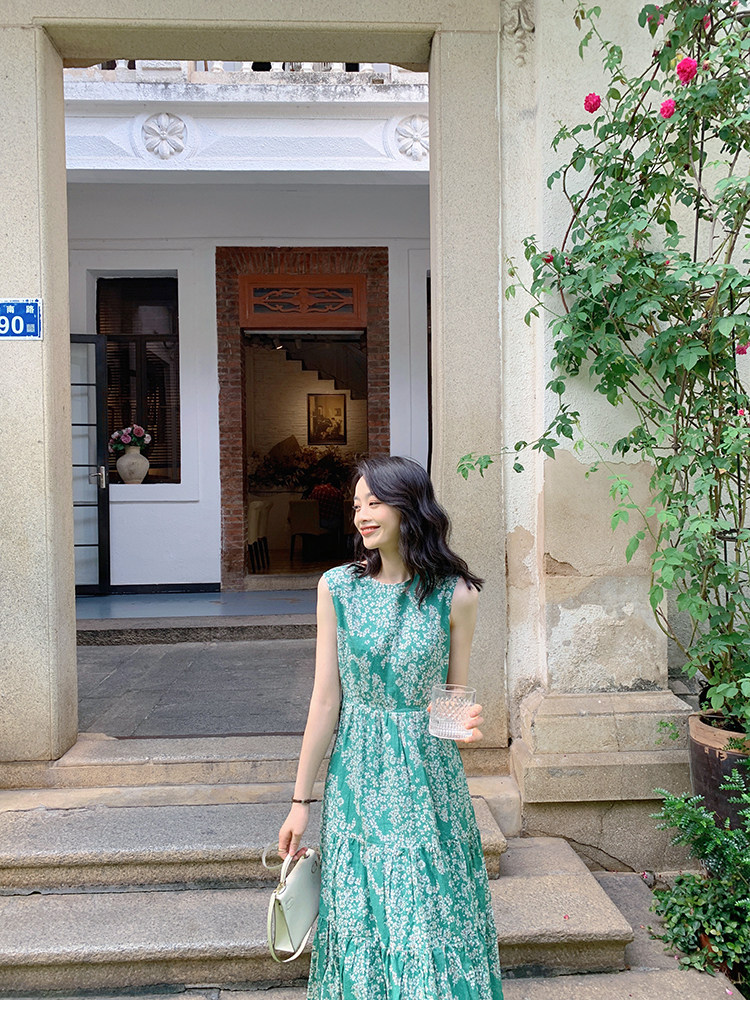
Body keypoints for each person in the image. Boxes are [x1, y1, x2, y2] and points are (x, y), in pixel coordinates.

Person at [277, 455, 504, 1000]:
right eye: (357, 505)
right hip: (357, 773)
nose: (361, 515)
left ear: (409, 507)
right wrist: (300, 802)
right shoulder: (337, 587)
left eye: (374, 502)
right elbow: (325, 700)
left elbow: (452, 697)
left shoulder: (457, 594)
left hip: (427, 778)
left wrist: (459, 727)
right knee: (361, 910)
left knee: (424, 912)